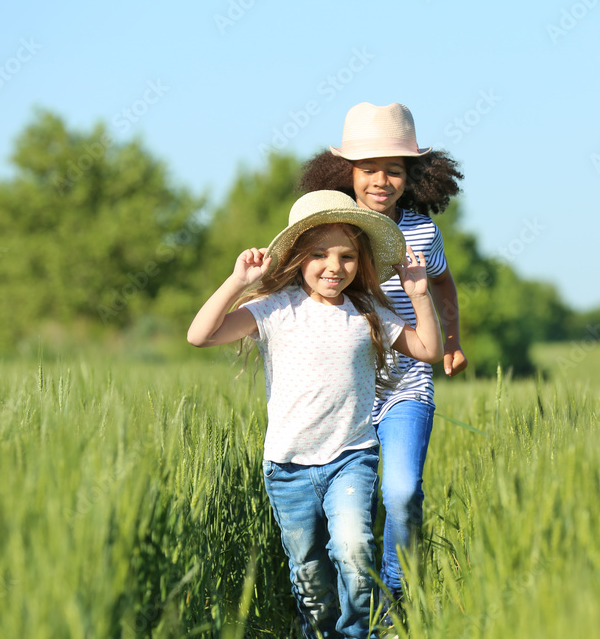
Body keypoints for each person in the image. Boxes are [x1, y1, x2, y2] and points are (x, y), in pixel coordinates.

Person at [186, 189, 443, 638]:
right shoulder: (274, 308)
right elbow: (199, 335)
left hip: (351, 458)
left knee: (354, 550)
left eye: (346, 256)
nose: (334, 266)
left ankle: (353, 632)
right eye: (320, 254)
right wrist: (238, 281)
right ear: (299, 257)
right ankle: (318, 630)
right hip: (288, 467)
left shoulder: (368, 311)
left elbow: (428, 349)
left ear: (360, 262)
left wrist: (419, 294)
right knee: (308, 572)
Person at [299, 102, 467, 606]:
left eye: (394, 170)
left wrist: (452, 341)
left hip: (406, 384)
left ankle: (393, 597)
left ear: (412, 175)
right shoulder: (329, 228)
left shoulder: (420, 231)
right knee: (337, 510)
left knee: (401, 493)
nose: (381, 180)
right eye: (368, 168)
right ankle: (325, 604)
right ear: (344, 172)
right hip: (338, 388)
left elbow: (442, 283)